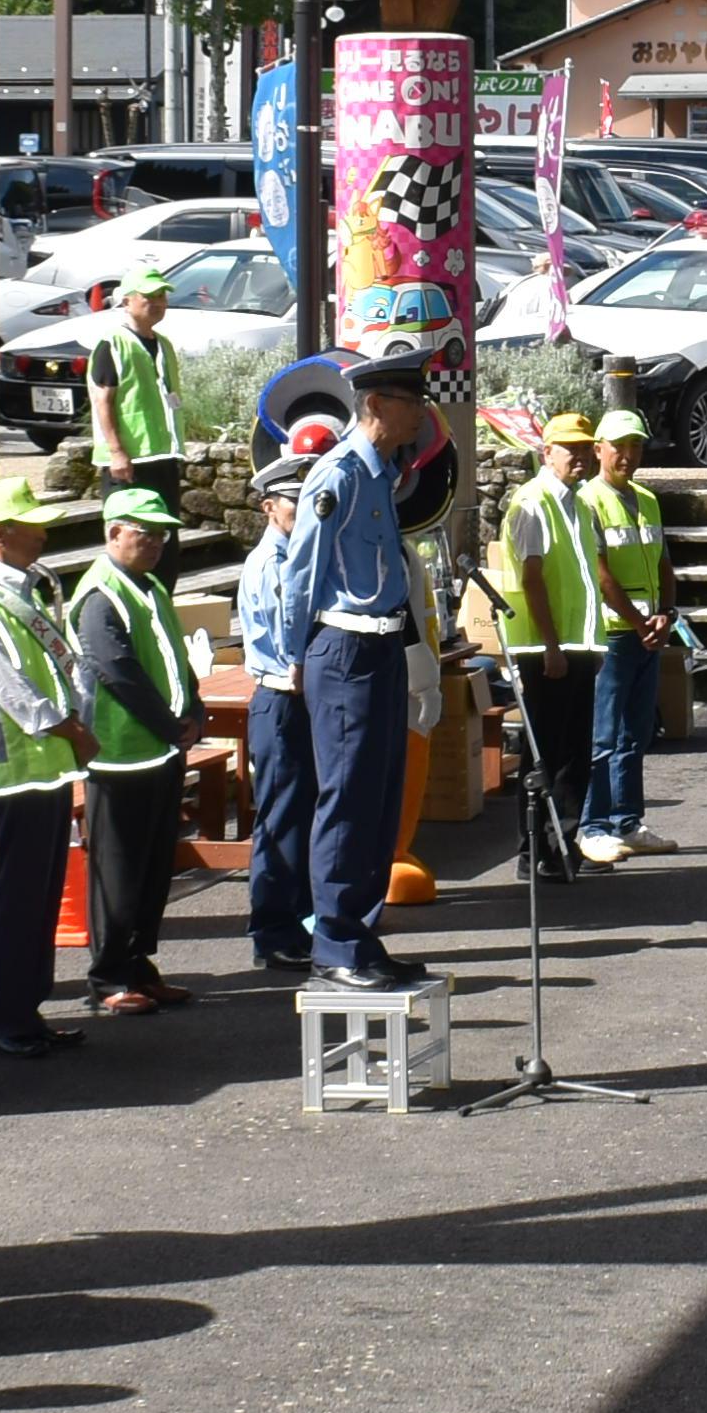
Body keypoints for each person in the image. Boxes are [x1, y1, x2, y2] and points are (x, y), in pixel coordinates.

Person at [297, 364, 433, 987]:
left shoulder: (382, 474)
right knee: (348, 798)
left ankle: (362, 932)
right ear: (376, 404)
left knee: (380, 798)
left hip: (381, 647)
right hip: (344, 647)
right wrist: (294, 660)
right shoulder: (339, 475)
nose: (421, 413)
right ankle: (335, 943)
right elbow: (303, 572)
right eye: (410, 401)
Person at [0, 480, 86, 1059]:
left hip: (45, 766)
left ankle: (27, 1011)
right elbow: (10, 689)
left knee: (39, 896)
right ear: (1, 534)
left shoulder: (23, 592)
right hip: (15, 770)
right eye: (32, 525)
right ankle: (4, 1018)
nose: (43, 533)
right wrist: (70, 729)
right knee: (15, 898)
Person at [63, 485, 200, 1008]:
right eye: (147, 533)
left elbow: (174, 656)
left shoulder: (149, 585)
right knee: (118, 871)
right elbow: (115, 670)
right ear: (114, 532)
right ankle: (108, 977)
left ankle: (140, 966)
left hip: (160, 749)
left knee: (152, 867)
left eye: (163, 534)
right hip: (119, 753)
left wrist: (194, 711)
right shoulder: (100, 595)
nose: (157, 543)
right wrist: (170, 723)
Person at [492, 407, 610, 881]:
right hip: (547, 649)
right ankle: (535, 851)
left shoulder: (577, 503)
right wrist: (552, 646)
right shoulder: (533, 501)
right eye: (570, 449)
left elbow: (583, 578)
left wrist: (590, 644)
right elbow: (533, 579)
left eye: (584, 449)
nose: (580, 457)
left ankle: (563, 843)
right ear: (547, 453)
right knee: (546, 753)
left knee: (573, 753)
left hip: (575, 645)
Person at [231, 436, 323, 980]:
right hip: (282, 699)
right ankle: (272, 931)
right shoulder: (271, 563)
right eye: (295, 502)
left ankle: (301, 922)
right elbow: (291, 643)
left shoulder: (298, 555)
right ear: (269, 506)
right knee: (282, 820)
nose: (304, 511)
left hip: (300, 701)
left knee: (305, 816)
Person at [580, 407, 673, 862]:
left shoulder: (648, 499)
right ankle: (592, 826)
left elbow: (663, 564)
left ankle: (627, 821)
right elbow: (601, 576)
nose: (628, 455)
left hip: (647, 631)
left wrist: (667, 615)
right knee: (603, 735)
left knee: (636, 733)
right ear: (599, 450)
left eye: (635, 445)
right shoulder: (588, 500)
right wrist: (640, 624)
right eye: (619, 446)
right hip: (614, 633)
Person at [88, 266, 184, 478]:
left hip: (163, 455)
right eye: (149, 296)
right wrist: (116, 452)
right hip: (129, 461)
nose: (158, 302)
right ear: (126, 302)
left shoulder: (164, 344)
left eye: (162, 295)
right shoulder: (113, 344)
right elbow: (103, 402)